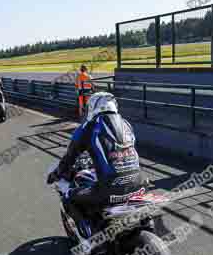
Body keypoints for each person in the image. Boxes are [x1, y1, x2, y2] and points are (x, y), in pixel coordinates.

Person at [46, 92, 143, 240]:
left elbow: (69, 158)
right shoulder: (127, 125)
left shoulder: (88, 127)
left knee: (68, 196)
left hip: (109, 189)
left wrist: (56, 174)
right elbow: (121, 153)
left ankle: (88, 241)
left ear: (93, 107)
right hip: (138, 184)